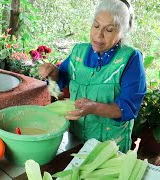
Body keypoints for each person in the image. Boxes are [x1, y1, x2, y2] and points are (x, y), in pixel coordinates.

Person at [39, 0, 146, 153]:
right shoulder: (79, 52)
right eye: (96, 26)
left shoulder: (130, 59)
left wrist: (94, 107)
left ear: (122, 32)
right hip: (76, 139)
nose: (98, 35)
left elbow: (128, 107)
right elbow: (61, 79)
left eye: (109, 29)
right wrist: (52, 72)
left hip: (110, 146)